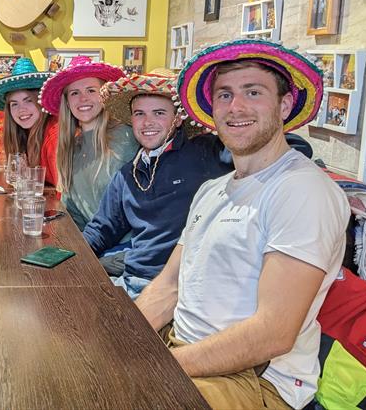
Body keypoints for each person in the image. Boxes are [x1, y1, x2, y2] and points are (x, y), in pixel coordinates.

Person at [136, 39, 351, 409]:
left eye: (253, 92)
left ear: (284, 105)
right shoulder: (212, 190)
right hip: (184, 349)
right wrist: (120, 342)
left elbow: (274, 333)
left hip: (255, 378)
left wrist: (158, 366)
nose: (236, 107)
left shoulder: (302, 189)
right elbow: (168, 287)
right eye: (224, 95)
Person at [83, 69, 313, 293]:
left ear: (178, 118)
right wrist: (64, 254)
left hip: (182, 287)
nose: (147, 122)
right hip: (132, 277)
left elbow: (291, 146)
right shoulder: (128, 173)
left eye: (159, 113)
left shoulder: (205, 152)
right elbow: (102, 229)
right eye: (139, 114)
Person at [39, 55, 138, 230]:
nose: (83, 98)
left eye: (91, 90)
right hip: (90, 242)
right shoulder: (70, 147)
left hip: (125, 247)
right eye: (74, 93)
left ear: (104, 95)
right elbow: (73, 210)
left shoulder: (128, 135)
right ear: (67, 103)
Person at [0, 57, 59, 186]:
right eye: (14, 104)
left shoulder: (54, 134)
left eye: (28, 101)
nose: (21, 109)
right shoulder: (25, 133)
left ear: (41, 101)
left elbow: (64, 193)